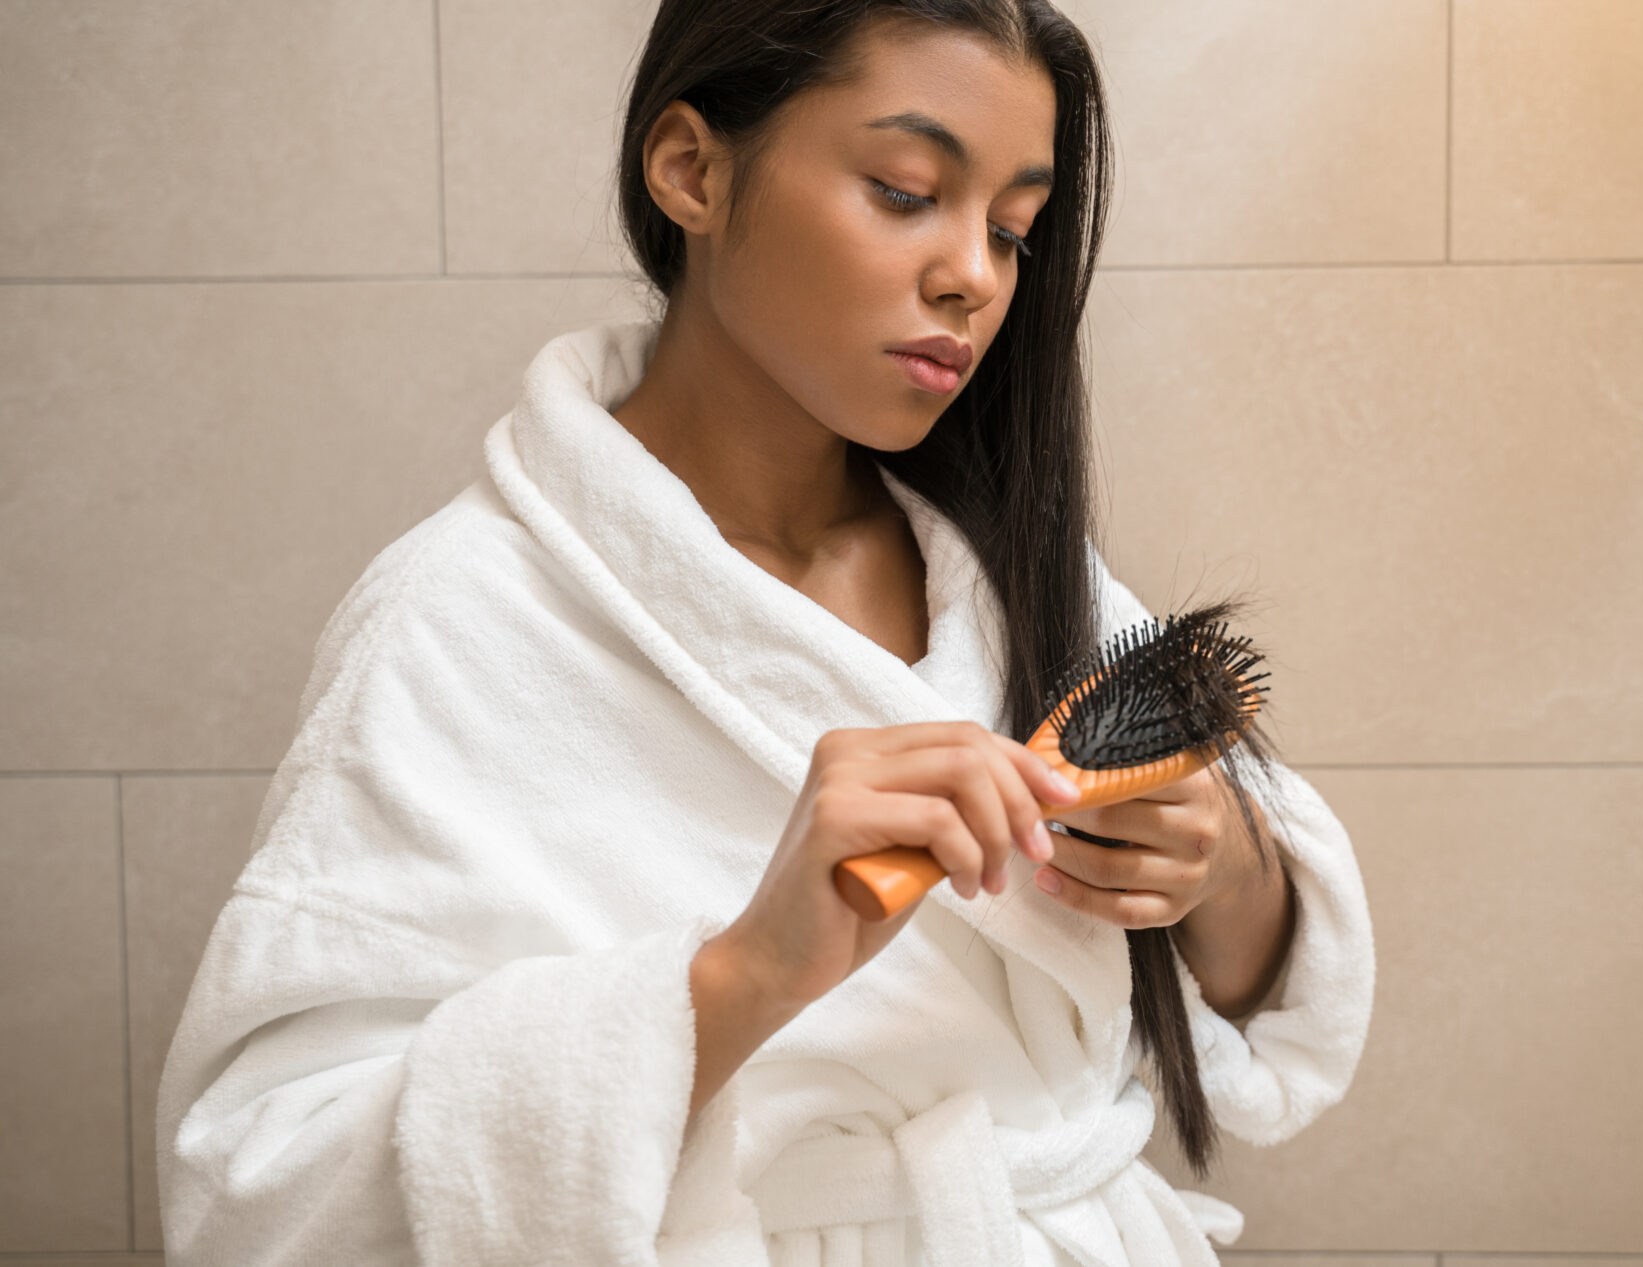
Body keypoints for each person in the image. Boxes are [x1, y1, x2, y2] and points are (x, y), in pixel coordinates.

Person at [154, 1, 1376, 1263]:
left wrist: (1223, 871)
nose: (974, 274)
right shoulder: (458, 617)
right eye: (907, 192)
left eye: (1012, 228)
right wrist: (740, 976)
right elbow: (266, 1191)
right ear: (691, 168)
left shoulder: (1020, 575)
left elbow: (1262, 1006)